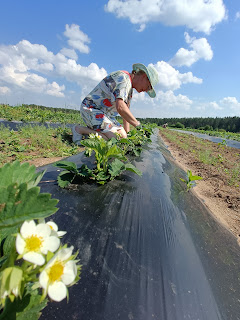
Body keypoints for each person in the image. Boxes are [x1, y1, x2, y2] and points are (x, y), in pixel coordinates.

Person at [72, 63, 159, 145]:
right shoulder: (124, 79)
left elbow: (126, 111)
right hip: (92, 110)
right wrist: (138, 125)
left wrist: (128, 134)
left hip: (106, 115)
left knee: (123, 137)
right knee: (114, 140)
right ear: (144, 77)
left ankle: (95, 133)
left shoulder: (129, 89)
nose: (145, 91)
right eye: (148, 87)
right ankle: (80, 130)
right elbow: (120, 107)